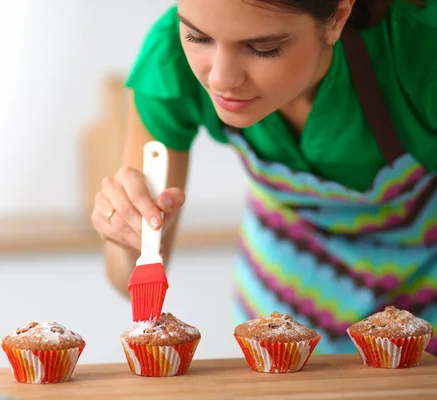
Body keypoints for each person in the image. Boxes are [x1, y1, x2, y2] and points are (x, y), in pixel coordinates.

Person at [91, 0, 437, 355]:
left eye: (262, 48)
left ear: (337, 18)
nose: (221, 79)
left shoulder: (422, 48)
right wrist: (126, 237)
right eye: (197, 36)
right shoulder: (169, 56)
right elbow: (127, 281)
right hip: (280, 306)